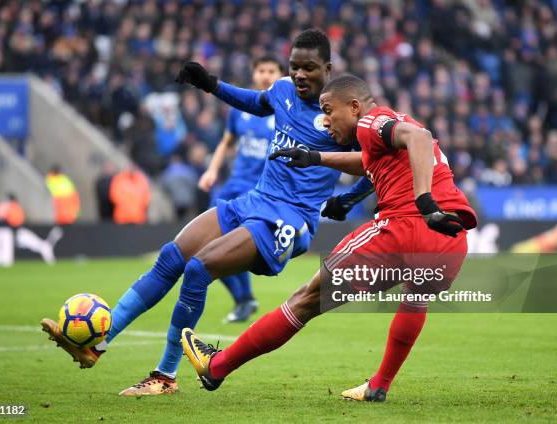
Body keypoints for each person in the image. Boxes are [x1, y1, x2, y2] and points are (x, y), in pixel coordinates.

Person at [40, 29, 373, 397]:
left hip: (289, 220)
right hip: (254, 200)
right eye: (294, 67)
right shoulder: (283, 92)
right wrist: (211, 84)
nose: (299, 75)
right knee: (171, 258)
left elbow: (378, 161)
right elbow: (255, 101)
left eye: (308, 68)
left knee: (199, 269)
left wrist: (348, 199)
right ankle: (96, 344)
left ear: (328, 67)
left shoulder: (340, 114)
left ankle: (165, 376)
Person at [181, 74, 477, 402]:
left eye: (328, 110)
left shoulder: (372, 121)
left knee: (306, 299)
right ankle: (379, 384)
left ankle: (216, 366)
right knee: (415, 298)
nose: (324, 120)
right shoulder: (387, 128)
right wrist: (316, 158)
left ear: (354, 107)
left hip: (405, 227)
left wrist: (423, 201)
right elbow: (370, 163)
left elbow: (419, 138)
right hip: (449, 237)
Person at [199, 55, 283, 323]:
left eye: (271, 70)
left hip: (260, 191)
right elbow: (226, 142)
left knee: (234, 245)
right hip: (233, 185)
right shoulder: (241, 108)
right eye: (261, 70)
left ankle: (244, 299)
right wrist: (212, 170)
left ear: (281, 74)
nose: (266, 75)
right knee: (208, 242)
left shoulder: (283, 110)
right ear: (254, 73)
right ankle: (243, 298)